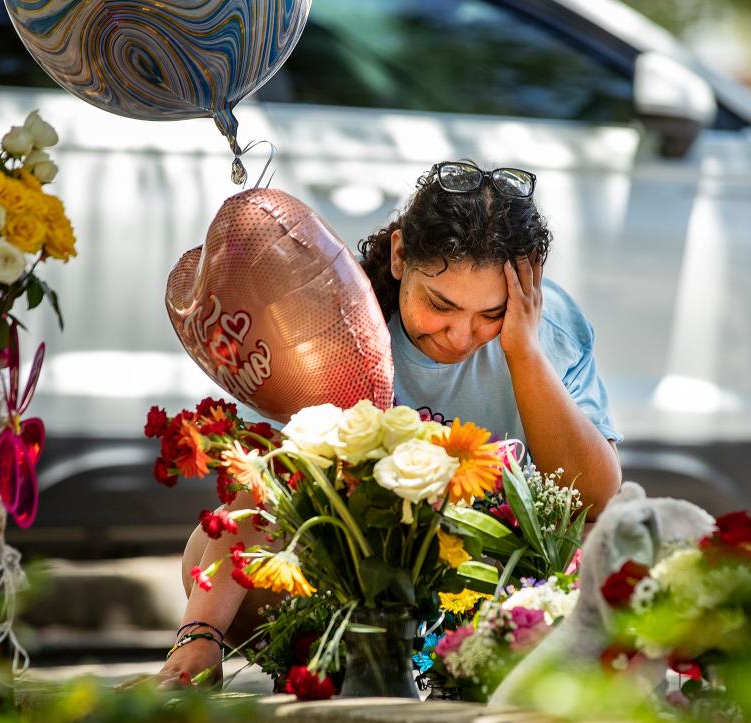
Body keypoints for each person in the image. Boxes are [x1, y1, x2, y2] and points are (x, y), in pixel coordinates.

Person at [156, 160, 622, 686]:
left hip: (500, 586)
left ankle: (478, 672)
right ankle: (350, 674)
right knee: (205, 549)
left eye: (490, 314)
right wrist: (200, 635)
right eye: (440, 305)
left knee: (611, 541)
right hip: (360, 586)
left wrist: (525, 353)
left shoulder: (548, 328)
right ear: (400, 256)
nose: (460, 335)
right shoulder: (333, 319)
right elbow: (266, 487)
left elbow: (599, 498)